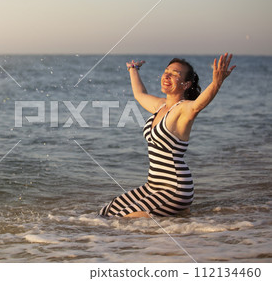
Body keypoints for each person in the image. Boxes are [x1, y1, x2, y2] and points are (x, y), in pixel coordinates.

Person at [99, 53, 236, 218]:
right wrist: (133, 69)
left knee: (122, 219)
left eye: (175, 74)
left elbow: (197, 106)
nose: (167, 75)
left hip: (175, 189)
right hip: (152, 186)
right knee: (106, 212)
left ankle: (178, 209)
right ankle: (179, 215)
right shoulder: (160, 105)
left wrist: (217, 82)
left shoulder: (183, 109)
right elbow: (140, 94)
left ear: (186, 85)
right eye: (167, 71)